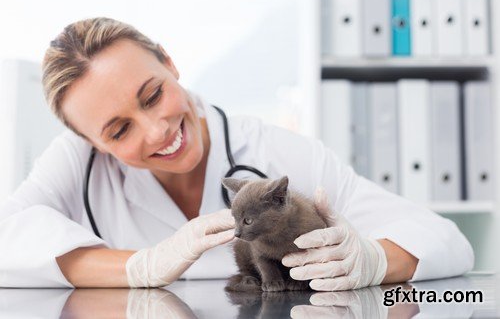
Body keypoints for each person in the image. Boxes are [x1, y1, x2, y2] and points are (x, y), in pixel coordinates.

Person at [0, 17, 473, 289]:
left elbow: (443, 239)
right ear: (92, 142)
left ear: (170, 63)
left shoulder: (274, 151)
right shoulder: (75, 163)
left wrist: (369, 260)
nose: (157, 129)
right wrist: (138, 265)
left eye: (152, 95)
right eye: (120, 129)